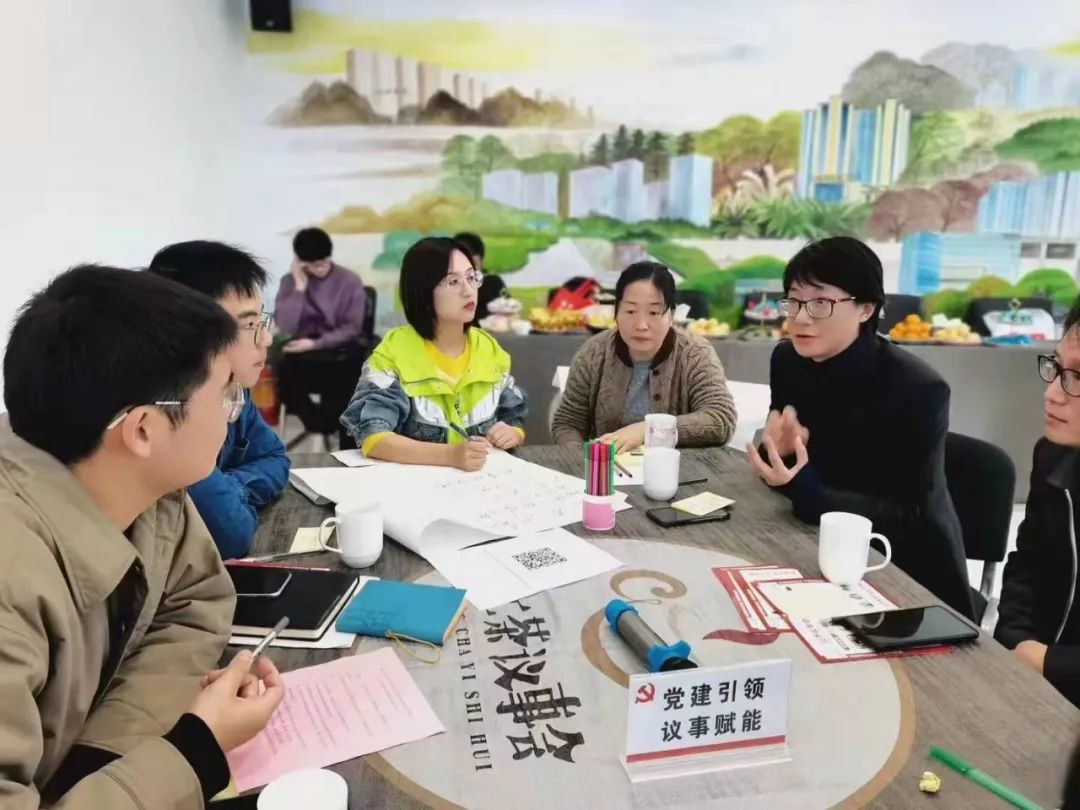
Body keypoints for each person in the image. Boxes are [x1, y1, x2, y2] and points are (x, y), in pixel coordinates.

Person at [0, 266, 284, 808]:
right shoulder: (11, 584)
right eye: (223, 396)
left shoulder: (148, 489)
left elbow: (195, 600)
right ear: (145, 430)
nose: (232, 415)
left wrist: (105, 759)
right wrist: (195, 750)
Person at [747, 237, 973, 618]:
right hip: (812, 544)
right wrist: (778, 450)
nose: (801, 317)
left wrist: (803, 487)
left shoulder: (917, 388)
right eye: (794, 301)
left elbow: (909, 513)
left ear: (866, 309)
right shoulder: (788, 360)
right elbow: (788, 453)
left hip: (903, 569)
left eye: (821, 303)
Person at [149, 240, 291, 559]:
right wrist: (233, 496)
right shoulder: (169, 412)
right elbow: (231, 534)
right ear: (188, 332)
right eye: (250, 324)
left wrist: (230, 488)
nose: (266, 338)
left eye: (261, 321)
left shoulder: (232, 390)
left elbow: (276, 458)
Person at [340, 236, 528, 471]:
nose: (468, 291)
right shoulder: (394, 352)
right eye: (453, 281)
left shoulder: (488, 348)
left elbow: (513, 414)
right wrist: (451, 455)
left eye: (471, 277)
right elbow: (374, 437)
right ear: (423, 291)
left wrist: (513, 432)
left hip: (482, 484)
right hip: (413, 486)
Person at [552, 261, 737, 452]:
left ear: (671, 315)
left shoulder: (695, 354)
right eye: (630, 311)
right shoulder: (593, 353)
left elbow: (720, 419)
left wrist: (648, 430)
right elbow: (568, 422)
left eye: (654, 312)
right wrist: (579, 457)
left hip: (679, 468)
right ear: (616, 312)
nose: (641, 325)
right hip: (608, 467)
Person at [995, 298, 1080, 707]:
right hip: (1033, 688)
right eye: (1058, 369)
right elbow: (1027, 563)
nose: (1052, 394)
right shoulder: (1053, 457)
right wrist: (1016, 643)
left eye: (1077, 378)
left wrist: (1049, 663)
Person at [274, 227, 370, 439]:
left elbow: (352, 328)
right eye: (313, 265)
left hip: (341, 352)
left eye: (323, 263)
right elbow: (285, 326)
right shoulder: (290, 282)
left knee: (348, 376)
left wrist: (315, 343)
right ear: (301, 263)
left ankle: (331, 427)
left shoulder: (349, 281)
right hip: (305, 354)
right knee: (284, 375)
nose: (320, 269)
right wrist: (299, 288)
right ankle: (322, 425)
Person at [454, 232, 506, 323]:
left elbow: (508, 313)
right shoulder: (447, 286)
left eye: (473, 264)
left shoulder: (493, 283)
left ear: (481, 261)